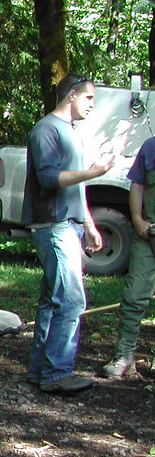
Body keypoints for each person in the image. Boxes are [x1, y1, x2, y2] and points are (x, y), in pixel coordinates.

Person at [22, 73, 113, 393]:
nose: (92, 105)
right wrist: (92, 172)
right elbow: (47, 179)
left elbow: (76, 184)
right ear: (71, 95)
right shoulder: (46, 129)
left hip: (70, 224)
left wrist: (88, 223)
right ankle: (57, 374)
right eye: (89, 98)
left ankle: (39, 371)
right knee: (72, 300)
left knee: (52, 300)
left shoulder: (71, 133)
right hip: (54, 225)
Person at [102, 136, 155, 379]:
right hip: (147, 236)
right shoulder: (150, 146)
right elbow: (137, 184)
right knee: (134, 296)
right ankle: (124, 356)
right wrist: (137, 219)